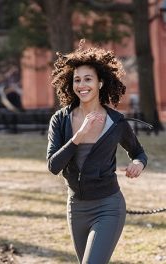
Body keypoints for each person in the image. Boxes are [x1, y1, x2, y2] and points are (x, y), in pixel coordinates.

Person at [46, 40, 147, 264]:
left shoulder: (116, 122)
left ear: (100, 83)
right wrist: (78, 137)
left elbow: (139, 153)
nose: (82, 85)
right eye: (77, 80)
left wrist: (138, 164)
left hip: (108, 206)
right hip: (76, 207)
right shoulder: (61, 120)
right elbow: (54, 166)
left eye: (88, 79)